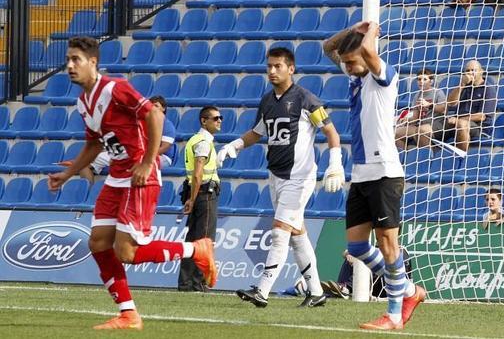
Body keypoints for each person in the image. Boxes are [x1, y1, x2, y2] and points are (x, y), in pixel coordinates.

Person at [48, 36, 215, 330]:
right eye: (68, 60)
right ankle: (128, 314)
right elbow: (93, 144)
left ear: (93, 63)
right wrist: (70, 172)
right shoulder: (83, 102)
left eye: (76, 60)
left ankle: (197, 249)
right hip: (116, 176)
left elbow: (155, 115)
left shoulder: (115, 88)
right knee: (98, 242)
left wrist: (148, 161)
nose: (70, 66)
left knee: (127, 253)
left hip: (141, 175)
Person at [218, 47, 345, 308]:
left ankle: (262, 290)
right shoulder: (267, 101)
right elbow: (257, 132)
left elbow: (331, 133)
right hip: (276, 175)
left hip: (299, 177)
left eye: (278, 66)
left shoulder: (306, 99)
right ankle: (315, 291)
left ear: (291, 68)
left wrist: (335, 165)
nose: (272, 71)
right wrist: (235, 146)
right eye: (269, 66)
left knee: (279, 232)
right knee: (297, 233)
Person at [323, 21, 425, 331]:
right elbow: (328, 47)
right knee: (355, 248)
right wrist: (351, 30)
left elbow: (367, 50)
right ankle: (409, 290)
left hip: (385, 174)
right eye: (347, 63)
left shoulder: (384, 77)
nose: (348, 67)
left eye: (352, 62)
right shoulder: (355, 75)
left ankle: (394, 315)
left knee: (387, 246)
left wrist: (371, 32)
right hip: (362, 175)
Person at [66, 95, 177, 184]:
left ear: (163, 109)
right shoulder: (139, 122)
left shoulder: (167, 125)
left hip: (160, 157)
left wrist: (142, 158)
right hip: (136, 154)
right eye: (150, 105)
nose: (153, 108)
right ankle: (87, 196)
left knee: (129, 165)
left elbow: (164, 147)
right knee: (85, 164)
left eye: (156, 105)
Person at [178, 106, 222, 291]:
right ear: (204, 121)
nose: (219, 121)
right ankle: (197, 283)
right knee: (204, 240)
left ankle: (186, 283)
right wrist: (193, 199)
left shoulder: (195, 140)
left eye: (221, 118)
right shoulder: (203, 141)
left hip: (197, 192)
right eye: (215, 118)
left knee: (192, 240)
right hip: (205, 194)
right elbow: (198, 173)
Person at [444, 60, 496, 152]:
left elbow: (481, 116)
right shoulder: (463, 86)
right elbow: (451, 103)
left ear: (481, 72)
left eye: (473, 70)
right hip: (456, 122)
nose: (470, 73)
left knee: (461, 124)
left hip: (478, 127)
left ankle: (460, 158)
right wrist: (462, 85)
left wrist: (458, 120)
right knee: (425, 129)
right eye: (467, 71)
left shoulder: (488, 89)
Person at [395, 68, 448, 150]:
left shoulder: (438, 92)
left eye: (424, 79)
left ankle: (428, 155)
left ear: (431, 81)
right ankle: (405, 157)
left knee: (421, 131)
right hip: (420, 125)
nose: (421, 81)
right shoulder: (417, 95)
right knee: (397, 133)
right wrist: (406, 120)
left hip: (435, 125)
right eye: (419, 79)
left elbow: (443, 109)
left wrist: (429, 105)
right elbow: (415, 117)